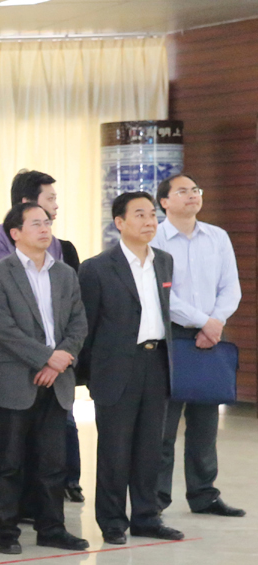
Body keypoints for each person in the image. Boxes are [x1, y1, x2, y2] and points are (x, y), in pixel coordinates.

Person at [0, 202, 89, 554]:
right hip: (15, 379)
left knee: (52, 463)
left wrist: (58, 362)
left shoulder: (65, 274)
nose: (45, 229)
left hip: (57, 380)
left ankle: (52, 528)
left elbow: (78, 323)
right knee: (9, 461)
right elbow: (4, 330)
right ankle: (5, 529)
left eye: (47, 223)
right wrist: (46, 357)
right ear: (15, 233)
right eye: (36, 224)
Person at [79, 191, 183, 545]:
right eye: (139, 215)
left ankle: (147, 517)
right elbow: (87, 327)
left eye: (152, 214)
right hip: (116, 368)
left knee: (151, 447)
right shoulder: (96, 268)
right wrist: (91, 376)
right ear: (119, 222)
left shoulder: (164, 261)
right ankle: (111, 520)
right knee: (115, 449)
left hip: (157, 363)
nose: (149, 221)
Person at [153, 174, 245, 518]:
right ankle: (155, 500)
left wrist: (214, 322)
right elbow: (161, 292)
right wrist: (202, 321)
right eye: (183, 191)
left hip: (211, 336)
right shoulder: (155, 237)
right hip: (170, 335)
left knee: (205, 425)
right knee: (163, 427)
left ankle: (204, 495)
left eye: (195, 190)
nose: (192, 195)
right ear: (164, 202)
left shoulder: (217, 236)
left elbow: (230, 287)